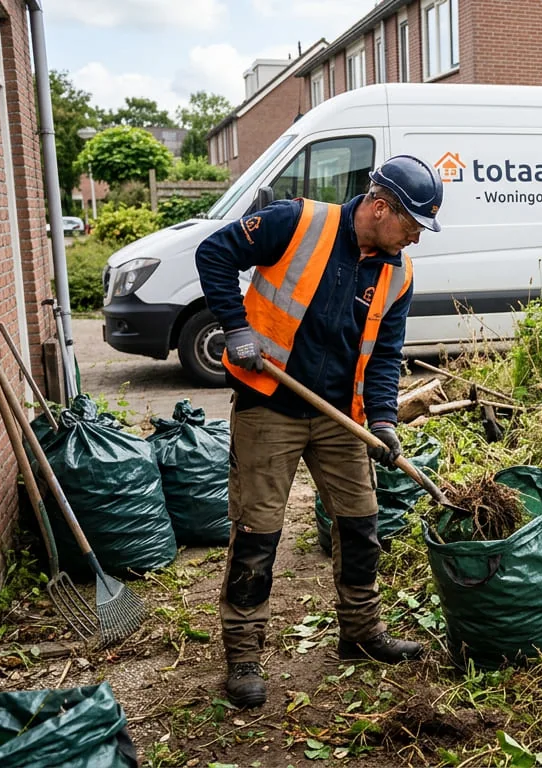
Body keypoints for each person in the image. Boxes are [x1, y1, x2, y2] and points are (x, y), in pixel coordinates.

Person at [196, 155, 442, 708]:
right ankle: (242, 655)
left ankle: (361, 633)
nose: (415, 240)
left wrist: (381, 420)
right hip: (269, 406)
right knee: (258, 535)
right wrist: (235, 328)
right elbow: (213, 253)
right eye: (412, 226)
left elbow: (384, 356)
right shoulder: (297, 223)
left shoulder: (397, 273)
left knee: (360, 525)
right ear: (381, 208)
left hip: (341, 420)